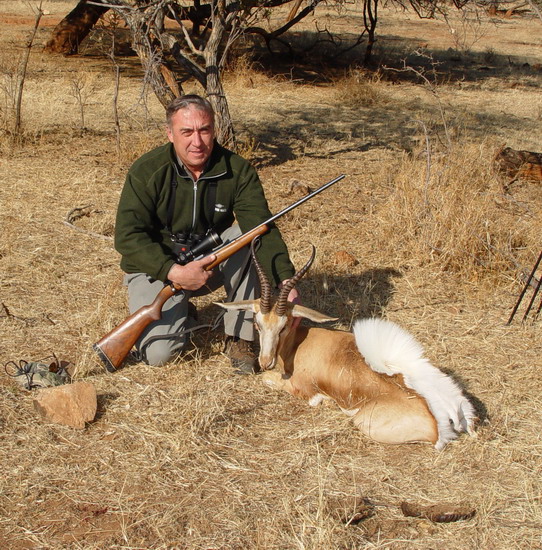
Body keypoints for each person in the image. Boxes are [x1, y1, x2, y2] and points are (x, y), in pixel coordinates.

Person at [114, 94, 299, 373]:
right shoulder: (147, 170)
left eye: (204, 130)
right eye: (186, 132)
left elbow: (262, 226)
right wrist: (173, 271)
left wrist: (285, 280)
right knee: (159, 355)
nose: (197, 142)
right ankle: (183, 313)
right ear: (170, 133)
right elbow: (127, 236)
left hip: (210, 263)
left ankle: (238, 337)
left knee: (246, 236)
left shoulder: (237, 169)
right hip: (156, 268)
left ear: (215, 129)